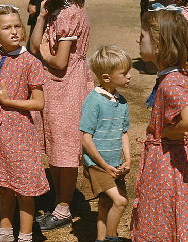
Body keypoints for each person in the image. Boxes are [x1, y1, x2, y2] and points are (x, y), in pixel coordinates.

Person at [132, 9, 188, 241]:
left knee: (163, 220)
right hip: (180, 163)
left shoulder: (171, 83)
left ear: (159, 45)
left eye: (143, 35)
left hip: (169, 167)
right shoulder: (181, 75)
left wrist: (168, 131)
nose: (139, 39)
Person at [0, 5, 50, 242]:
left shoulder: (30, 61)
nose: (14, 31)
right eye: (7, 27)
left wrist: (8, 100)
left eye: (17, 25)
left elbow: (38, 103)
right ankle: (5, 234)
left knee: (24, 187)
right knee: (4, 184)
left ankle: (26, 236)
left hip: (19, 132)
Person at [30, 0, 94, 231]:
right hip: (56, 86)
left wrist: (46, 55)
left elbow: (59, 61)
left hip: (67, 86)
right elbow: (35, 46)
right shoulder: (58, 11)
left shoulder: (69, 14)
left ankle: (63, 208)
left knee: (66, 148)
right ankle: (59, 201)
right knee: (56, 145)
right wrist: (40, 17)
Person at [79, 45, 132, 242]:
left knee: (105, 205)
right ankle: (111, 238)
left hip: (114, 164)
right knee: (120, 201)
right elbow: (86, 138)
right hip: (97, 164)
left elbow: (123, 132)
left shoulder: (122, 101)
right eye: (124, 73)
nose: (129, 76)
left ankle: (101, 239)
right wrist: (103, 165)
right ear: (107, 77)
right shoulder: (94, 101)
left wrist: (127, 160)